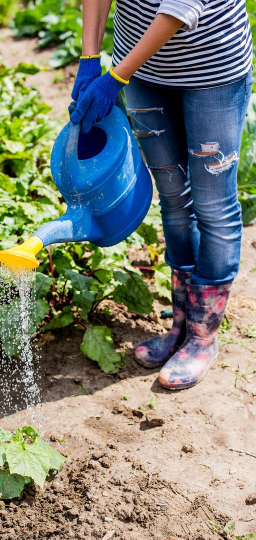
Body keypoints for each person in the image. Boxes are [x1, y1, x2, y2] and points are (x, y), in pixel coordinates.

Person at [70, 0, 253, 390]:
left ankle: (202, 337)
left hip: (212, 69)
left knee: (213, 204)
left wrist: (116, 77)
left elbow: (181, 7)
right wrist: (90, 58)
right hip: (141, 71)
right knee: (173, 196)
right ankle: (181, 326)